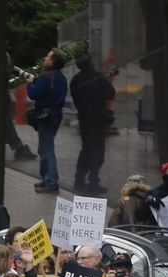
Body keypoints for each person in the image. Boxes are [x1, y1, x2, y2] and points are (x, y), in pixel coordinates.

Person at [70, 55, 116, 195]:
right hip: (98, 120)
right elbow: (111, 93)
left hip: (85, 119)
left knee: (86, 150)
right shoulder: (98, 77)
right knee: (98, 151)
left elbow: (77, 99)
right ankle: (93, 181)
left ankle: (80, 179)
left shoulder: (75, 80)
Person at [25, 48, 69, 193]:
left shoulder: (45, 76)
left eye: (48, 56)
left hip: (45, 115)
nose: (45, 57)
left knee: (46, 149)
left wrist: (30, 83)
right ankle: (46, 179)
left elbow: (34, 94)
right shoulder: (61, 77)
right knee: (44, 147)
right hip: (56, 115)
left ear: (52, 61)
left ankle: (51, 181)